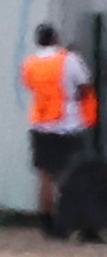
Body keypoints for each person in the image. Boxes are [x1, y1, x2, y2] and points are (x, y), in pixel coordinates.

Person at [30, 23, 96, 234]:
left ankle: (47, 221)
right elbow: (85, 86)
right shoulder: (68, 59)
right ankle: (73, 220)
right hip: (67, 124)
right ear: (56, 38)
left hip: (40, 123)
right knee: (75, 173)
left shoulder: (31, 63)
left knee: (46, 176)